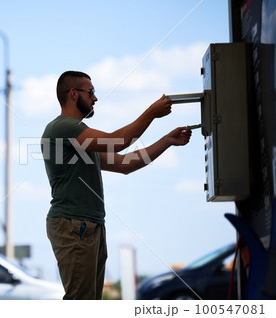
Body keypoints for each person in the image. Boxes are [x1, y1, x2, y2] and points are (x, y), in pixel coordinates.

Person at [41, 70, 192, 300]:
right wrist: (151, 113)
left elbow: (124, 163)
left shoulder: (80, 140)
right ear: (73, 94)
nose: (95, 98)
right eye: (91, 92)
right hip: (74, 224)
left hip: (88, 224)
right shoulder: (64, 128)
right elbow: (117, 142)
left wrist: (167, 141)